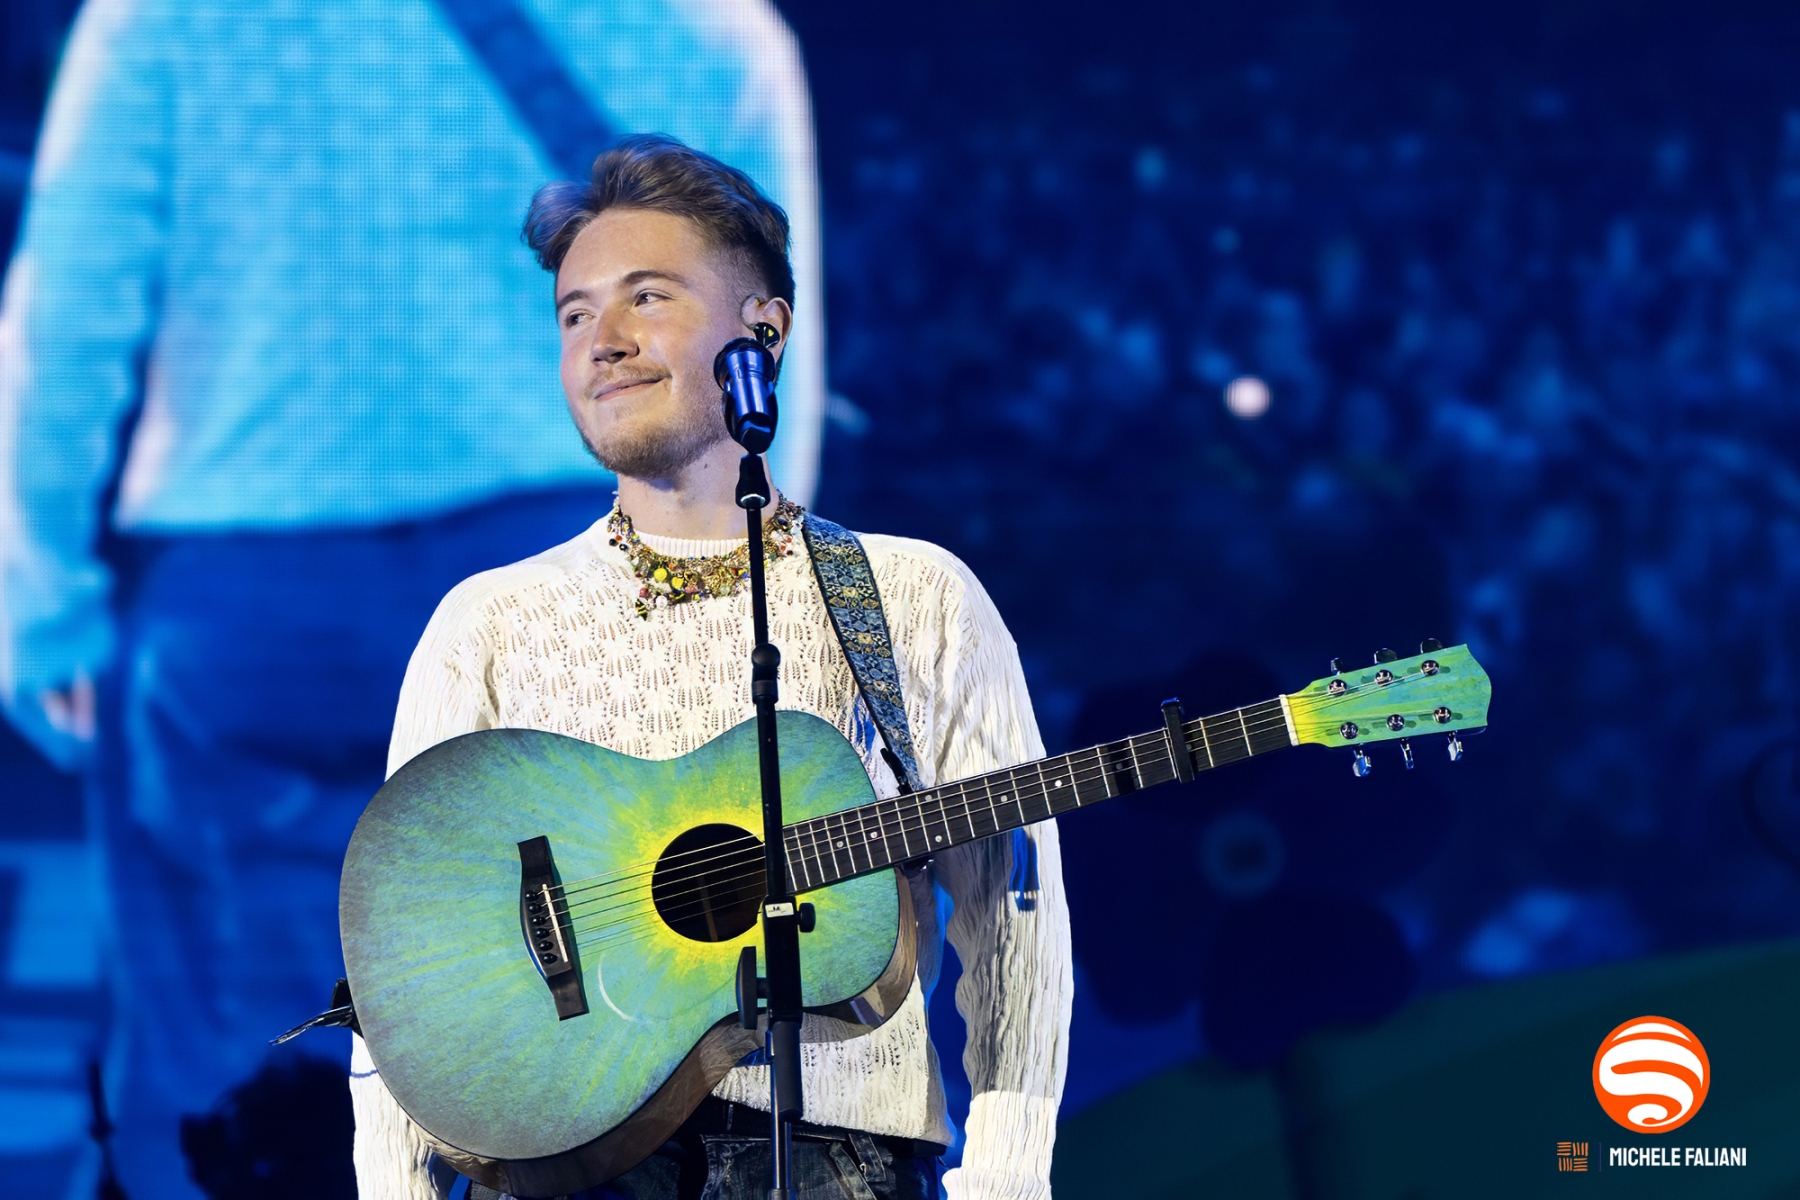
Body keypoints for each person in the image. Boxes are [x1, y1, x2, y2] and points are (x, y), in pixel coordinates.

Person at [0, 3, 822, 1196]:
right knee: (592, 1046)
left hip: (250, 611)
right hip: (578, 587)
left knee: (238, 1087)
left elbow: (66, 327)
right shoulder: (706, 26)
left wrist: (42, 609)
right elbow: (760, 373)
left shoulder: (169, 19)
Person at [350, 136, 1072, 1199]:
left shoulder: (911, 595)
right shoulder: (488, 623)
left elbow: (1015, 913)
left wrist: (1005, 1179)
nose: (604, 341)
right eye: (575, 315)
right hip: (564, 1172)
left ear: (762, 329)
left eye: (646, 297)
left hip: (841, 1163)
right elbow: (405, 956)